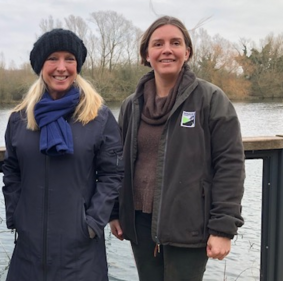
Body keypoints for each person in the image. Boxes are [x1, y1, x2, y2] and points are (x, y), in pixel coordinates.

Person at [109, 16, 245, 281]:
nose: (167, 49)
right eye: (158, 44)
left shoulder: (211, 99)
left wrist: (223, 228)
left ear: (187, 52)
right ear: (147, 55)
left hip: (189, 225)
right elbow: (117, 162)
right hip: (139, 224)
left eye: (175, 43)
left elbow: (230, 165)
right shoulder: (131, 106)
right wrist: (115, 212)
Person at [2, 28, 124, 281]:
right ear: (40, 66)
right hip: (28, 252)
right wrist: (17, 216)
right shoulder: (20, 118)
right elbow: (12, 170)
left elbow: (113, 174)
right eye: (52, 59)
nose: (61, 67)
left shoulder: (98, 117)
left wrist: (91, 224)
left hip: (80, 253)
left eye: (69, 59)